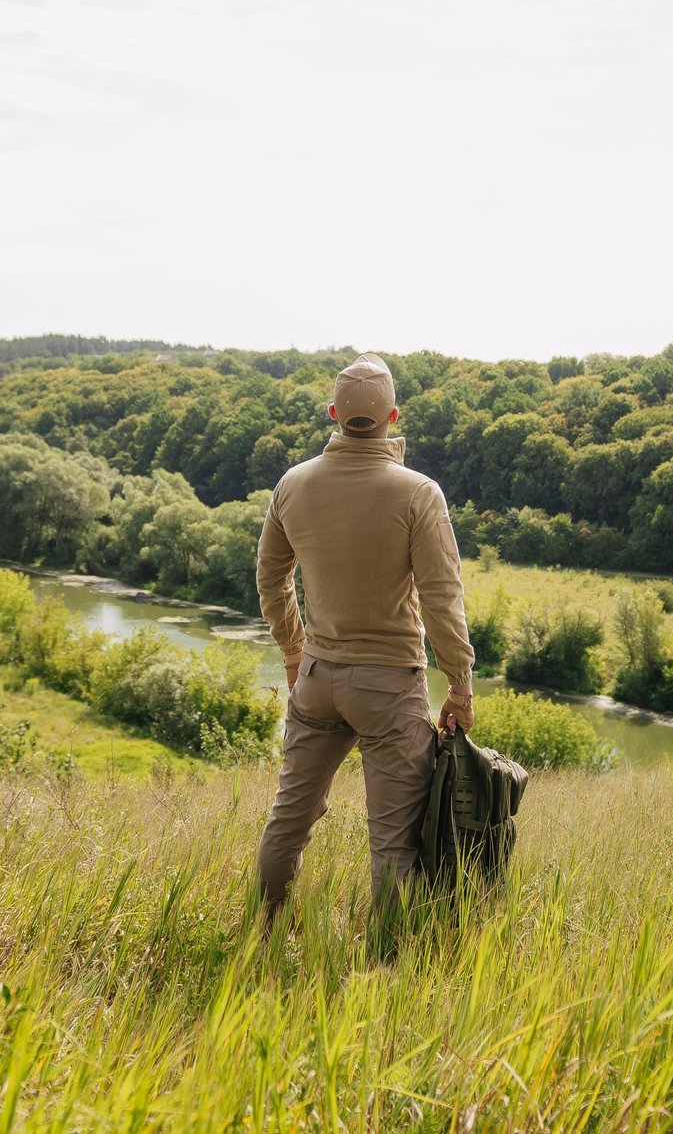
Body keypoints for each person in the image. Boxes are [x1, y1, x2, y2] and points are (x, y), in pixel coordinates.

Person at [254, 353, 475, 943]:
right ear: (392, 417)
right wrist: (459, 685)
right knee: (393, 844)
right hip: (390, 687)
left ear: (333, 413)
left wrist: (295, 652)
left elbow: (271, 578)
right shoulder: (419, 493)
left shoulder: (292, 485)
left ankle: (267, 937)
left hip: (316, 681)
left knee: (287, 824)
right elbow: (441, 596)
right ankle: (386, 964)